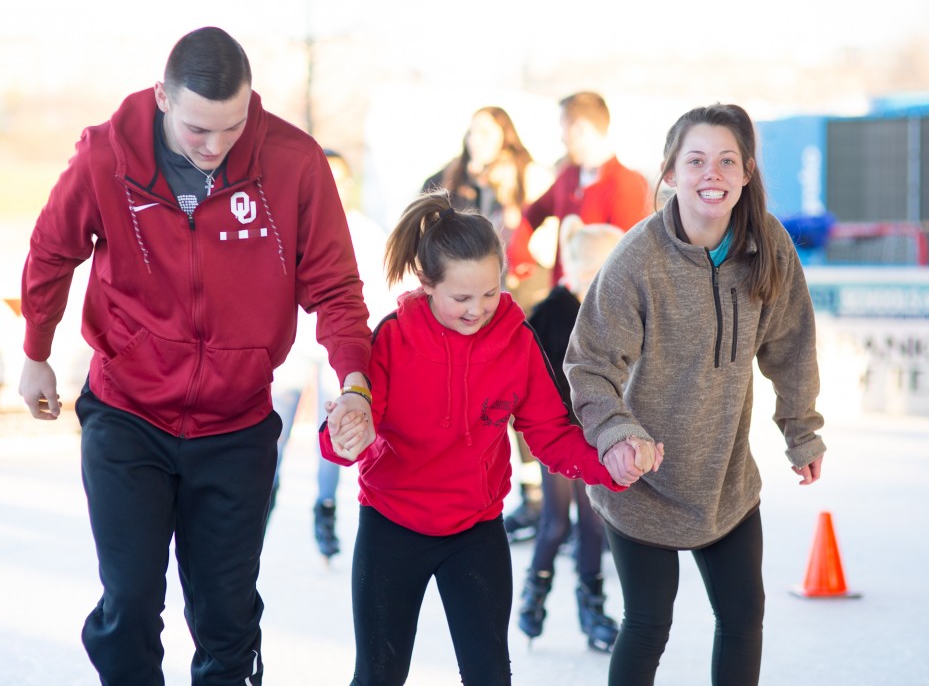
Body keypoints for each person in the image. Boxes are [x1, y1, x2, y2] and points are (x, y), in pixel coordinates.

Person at [17, 26, 373, 686]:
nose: (214, 149)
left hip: (236, 427)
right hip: (128, 416)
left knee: (226, 617)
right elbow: (51, 251)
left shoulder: (293, 164)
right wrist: (36, 351)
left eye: (232, 128)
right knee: (128, 606)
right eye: (197, 131)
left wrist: (357, 383)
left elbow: (335, 287)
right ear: (161, 98)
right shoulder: (105, 156)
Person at [319, 190, 646, 686]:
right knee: (378, 674)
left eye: (490, 293)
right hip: (392, 524)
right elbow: (352, 425)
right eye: (461, 298)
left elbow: (551, 433)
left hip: (474, 529)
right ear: (427, 284)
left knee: (490, 675)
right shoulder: (393, 338)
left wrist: (611, 464)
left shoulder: (516, 340)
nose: (478, 310)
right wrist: (343, 433)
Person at [564, 103, 827, 685]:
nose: (712, 173)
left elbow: (790, 343)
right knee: (648, 623)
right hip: (641, 480)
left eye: (726, 161)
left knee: (742, 617)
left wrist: (801, 429)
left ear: (747, 172)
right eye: (696, 160)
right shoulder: (638, 258)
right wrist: (618, 435)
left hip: (724, 480)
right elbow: (590, 363)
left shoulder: (768, 246)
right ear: (670, 173)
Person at [425, 106, 552, 543]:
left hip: (520, 293)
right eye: (472, 130)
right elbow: (425, 215)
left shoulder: (526, 173)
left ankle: (537, 497)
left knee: (521, 395)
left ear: (505, 135)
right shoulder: (454, 175)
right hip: (468, 298)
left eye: (487, 130)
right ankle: (476, 485)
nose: (476, 137)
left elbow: (544, 234)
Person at [268, 149, 394, 559]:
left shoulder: (365, 231)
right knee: (276, 427)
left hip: (338, 348)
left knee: (333, 425)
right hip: (293, 343)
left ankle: (325, 509)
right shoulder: (288, 221)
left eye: (341, 179)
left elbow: (376, 288)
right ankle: (262, 502)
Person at [518, 215, 625, 653]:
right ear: (587, 270)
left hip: (597, 436)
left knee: (594, 522)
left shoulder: (612, 311)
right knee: (556, 522)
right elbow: (532, 378)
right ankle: (534, 595)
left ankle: (592, 607)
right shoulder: (551, 312)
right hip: (557, 437)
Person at [524, 91, 651, 286]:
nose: (562, 139)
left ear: (579, 128)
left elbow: (630, 261)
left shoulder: (626, 184)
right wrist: (519, 255)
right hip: (561, 299)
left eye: (563, 129)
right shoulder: (568, 175)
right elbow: (534, 213)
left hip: (597, 304)